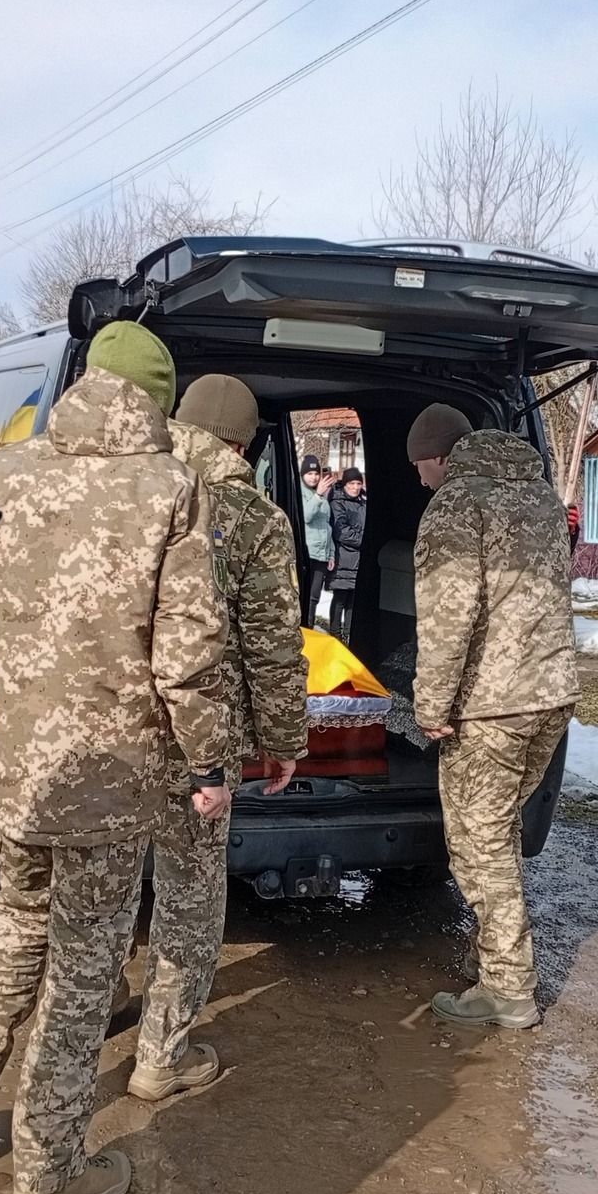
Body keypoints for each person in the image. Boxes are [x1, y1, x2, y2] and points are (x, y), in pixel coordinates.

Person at [0, 321, 229, 1194]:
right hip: (108, 783)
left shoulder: (4, 473)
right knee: (85, 968)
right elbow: (188, 654)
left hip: (4, 768)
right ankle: (48, 1172)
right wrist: (208, 761)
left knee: (16, 931)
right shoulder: (169, 488)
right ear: (157, 404)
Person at [133, 375, 308, 1098]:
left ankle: (90, 1013)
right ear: (244, 444)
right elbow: (273, 645)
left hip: (112, 734)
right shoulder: (253, 516)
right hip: (202, 739)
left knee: (103, 886)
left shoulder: (130, 486)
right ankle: (159, 1058)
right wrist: (283, 739)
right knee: (190, 894)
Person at [409, 403, 578, 1031]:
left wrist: (431, 704)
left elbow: (449, 616)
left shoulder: (455, 504)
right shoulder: (539, 496)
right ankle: (500, 965)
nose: (420, 479)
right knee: (499, 831)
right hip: (551, 695)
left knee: (479, 846)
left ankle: (508, 987)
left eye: (420, 467)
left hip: (492, 705)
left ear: (439, 456)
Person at [328, 464, 366, 640]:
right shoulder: (337, 502)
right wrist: (363, 540)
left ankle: (349, 635)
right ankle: (335, 634)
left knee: (353, 601)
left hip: (357, 559)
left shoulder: (363, 504)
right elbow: (341, 531)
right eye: (351, 484)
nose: (355, 487)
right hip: (343, 557)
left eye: (358, 483)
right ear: (344, 484)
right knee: (340, 598)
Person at [300, 453, 336, 624]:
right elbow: (306, 517)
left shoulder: (322, 497)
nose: (313, 477)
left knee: (314, 597)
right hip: (307, 553)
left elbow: (327, 527)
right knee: (303, 594)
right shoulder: (302, 493)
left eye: (316, 474)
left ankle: (310, 626)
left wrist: (331, 553)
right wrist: (318, 496)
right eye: (309, 474)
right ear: (302, 474)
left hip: (322, 555)